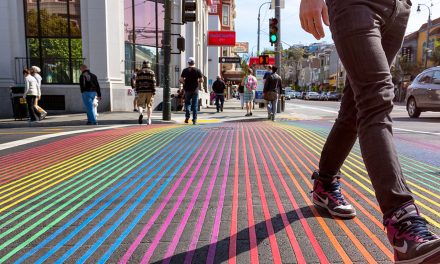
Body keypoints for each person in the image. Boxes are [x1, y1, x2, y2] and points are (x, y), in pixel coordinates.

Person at [300, 0, 440, 263]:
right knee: (377, 99)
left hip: (398, 8)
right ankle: (404, 225)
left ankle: (325, 183)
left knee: (355, 107)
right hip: (354, 4)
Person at [180, 57, 203, 125]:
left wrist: (185, 83)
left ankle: (187, 116)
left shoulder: (185, 70)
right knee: (195, 105)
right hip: (195, 90)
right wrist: (197, 81)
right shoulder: (197, 70)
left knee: (187, 103)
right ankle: (194, 120)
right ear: (194, 63)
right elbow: (202, 80)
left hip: (187, 90)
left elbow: (181, 80)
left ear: (188, 63)